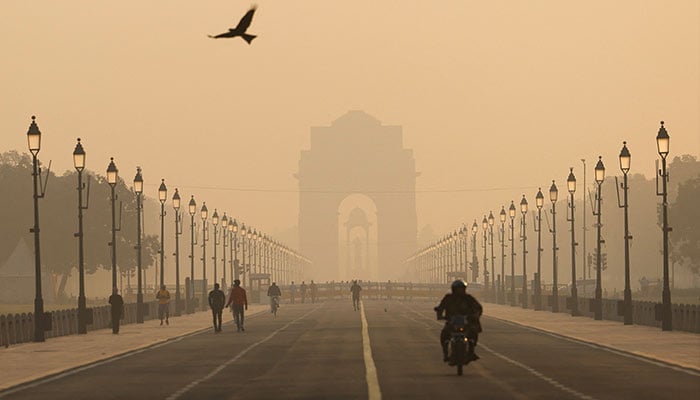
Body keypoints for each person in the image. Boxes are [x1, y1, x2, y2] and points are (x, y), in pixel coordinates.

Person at [434, 280, 483, 363]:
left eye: (461, 289)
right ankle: (446, 354)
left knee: (473, 333)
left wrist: (475, 315)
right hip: (452, 322)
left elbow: (478, 307)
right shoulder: (448, 298)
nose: (459, 291)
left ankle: (471, 351)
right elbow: (441, 307)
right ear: (454, 289)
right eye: (458, 289)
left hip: (466, 322)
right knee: (444, 335)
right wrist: (440, 314)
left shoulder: (468, 298)